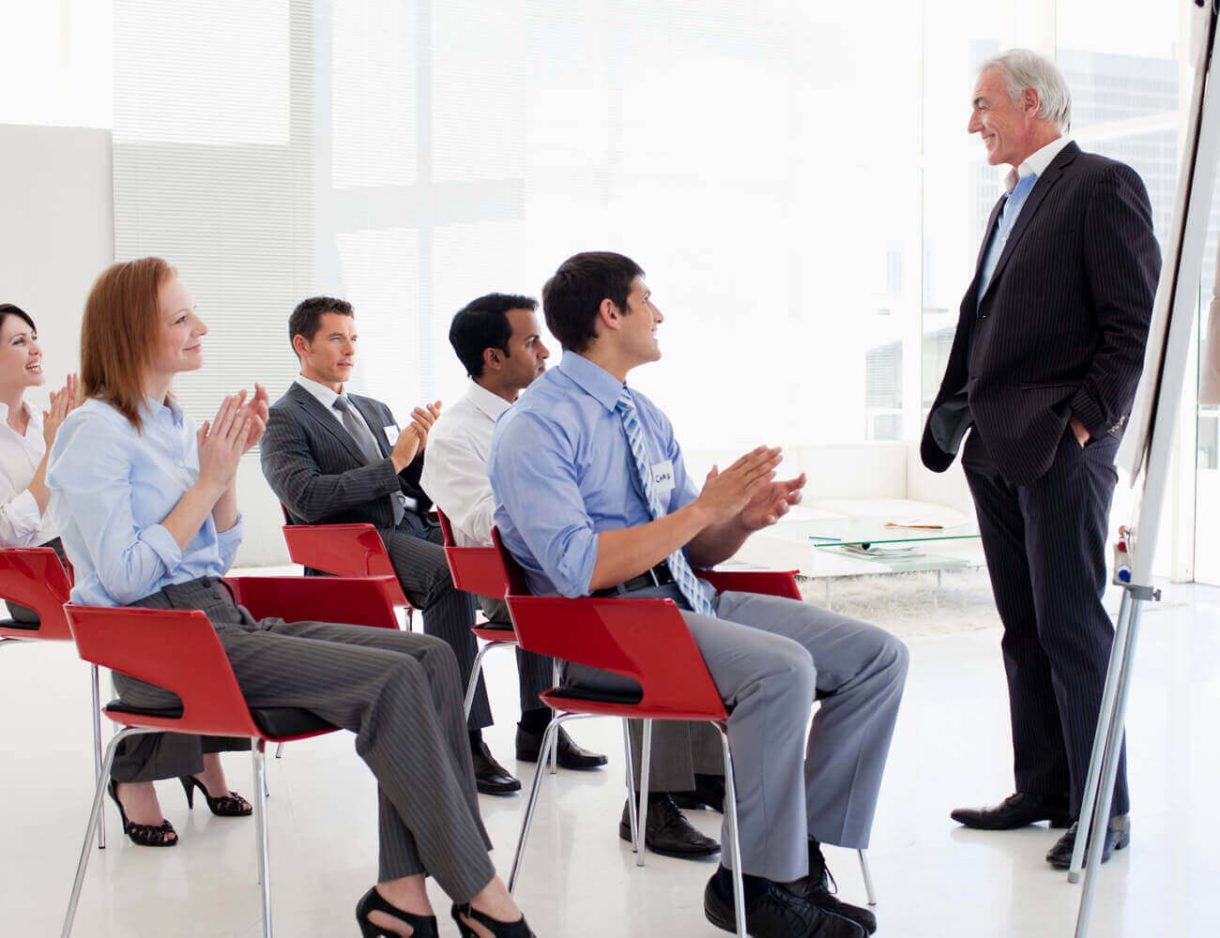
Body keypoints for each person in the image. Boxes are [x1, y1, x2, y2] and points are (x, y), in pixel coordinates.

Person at [48, 257, 536, 937]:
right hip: (164, 647)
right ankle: (482, 893)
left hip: (215, 618)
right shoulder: (94, 430)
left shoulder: (165, 421)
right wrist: (207, 478)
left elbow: (213, 556)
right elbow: (127, 577)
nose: (202, 327)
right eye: (181, 317)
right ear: (133, 331)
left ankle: (401, 892)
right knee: (396, 675)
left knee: (428, 657)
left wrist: (221, 479)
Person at [488, 251, 908, 938]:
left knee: (878, 656)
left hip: (683, 600)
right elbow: (576, 568)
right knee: (782, 669)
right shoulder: (536, 425)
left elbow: (691, 548)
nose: (659, 314)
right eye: (647, 299)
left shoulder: (644, 415)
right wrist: (700, 509)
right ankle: (758, 885)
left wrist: (737, 519)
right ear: (610, 313)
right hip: (602, 625)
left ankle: (793, 857)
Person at [921, 50, 1160, 869]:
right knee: (1024, 629)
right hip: (992, 441)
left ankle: (1104, 809)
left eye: (982, 104)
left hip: (1058, 442)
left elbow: (1131, 324)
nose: (972, 123)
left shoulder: (1101, 183)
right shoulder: (1012, 200)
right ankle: (1047, 788)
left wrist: (1086, 426)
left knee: (1070, 625)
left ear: (1031, 102)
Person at [422, 292, 717, 860]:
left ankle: (697, 774)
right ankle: (654, 799)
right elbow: (491, 525)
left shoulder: (559, 415)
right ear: (492, 357)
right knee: (641, 603)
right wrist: (554, 501)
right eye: (530, 341)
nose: (545, 350)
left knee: (666, 587)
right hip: (509, 584)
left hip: (568, 564)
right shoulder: (459, 433)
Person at [0, 301, 248, 848]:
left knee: (181, 599)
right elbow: (11, 533)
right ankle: (139, 773)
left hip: (93, 559)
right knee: (140, 598)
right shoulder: (72, 427)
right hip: (35, 578)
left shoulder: (60, 420)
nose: (36, 348)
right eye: (19, 341)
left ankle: (200, 757)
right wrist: (55, 456)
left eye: (34, 336)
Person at [260, 296, 520, 796]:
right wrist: (394, 462)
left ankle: (535, 721)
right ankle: (461, 739)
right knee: (452, 575)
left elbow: (409, 488)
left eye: (354, 338)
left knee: (514, 565)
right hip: (357, 544)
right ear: (303, 344)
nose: (349, 349)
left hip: (410, 529)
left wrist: (423, 451)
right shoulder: (284, 419)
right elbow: (307, 498)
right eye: (336, 337)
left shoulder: (371, 408)